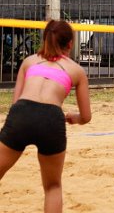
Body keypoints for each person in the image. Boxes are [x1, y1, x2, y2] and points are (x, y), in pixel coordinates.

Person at [0, 19, 92, 213]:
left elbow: (16, 103)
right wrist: (74, 118)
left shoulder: (29, 62)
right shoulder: (76, 70)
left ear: (45, 40)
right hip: (51, 118)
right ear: (70, 44)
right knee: (52, 186)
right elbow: (86, 116)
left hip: (22, 113)